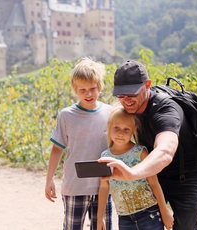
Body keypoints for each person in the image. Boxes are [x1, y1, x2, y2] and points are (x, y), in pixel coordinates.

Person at [99, 60, 197, 230]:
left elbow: (165, 150)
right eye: (120, 94)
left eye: (131, 93)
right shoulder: (128, 110)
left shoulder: (166, 110)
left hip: (186, 177)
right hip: (153, 176)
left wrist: (134, 172)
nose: (126, 100)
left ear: (147, 85)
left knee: (184, 226)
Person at [45, 57, 113, 230]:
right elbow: (57, 148)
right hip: (75, 186)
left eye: (92, 89)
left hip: (104, 185)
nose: (88, 94)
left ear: (100, 86)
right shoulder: (67, 115)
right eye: (82, 90)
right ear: (75, 90)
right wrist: (49, 179)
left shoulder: (111, 113)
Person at [97, 105, 174, 230]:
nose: (121, 133)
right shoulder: (105, 157)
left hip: (149, 214)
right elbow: (104, 187)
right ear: (109, 127)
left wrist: (165, 212)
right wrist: (100, 218)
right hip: (124, 218)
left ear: (134, 130)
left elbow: (154, 184)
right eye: (116, 128)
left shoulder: (140, 152)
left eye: (126, 129)